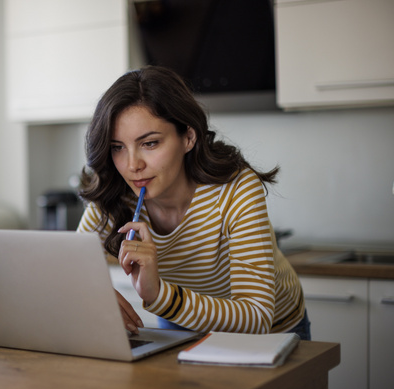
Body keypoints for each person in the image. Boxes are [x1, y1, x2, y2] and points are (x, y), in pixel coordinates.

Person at [76, 66, 310, 340]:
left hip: (272, 332)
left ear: (188, 137)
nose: (132, 166)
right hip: (181, 322)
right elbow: (70, 270)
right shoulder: (115, 193)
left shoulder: (236, 188)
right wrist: (93, 294)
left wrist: (160, 295)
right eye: (117, 147)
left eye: (150, 143)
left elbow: (257, 316)